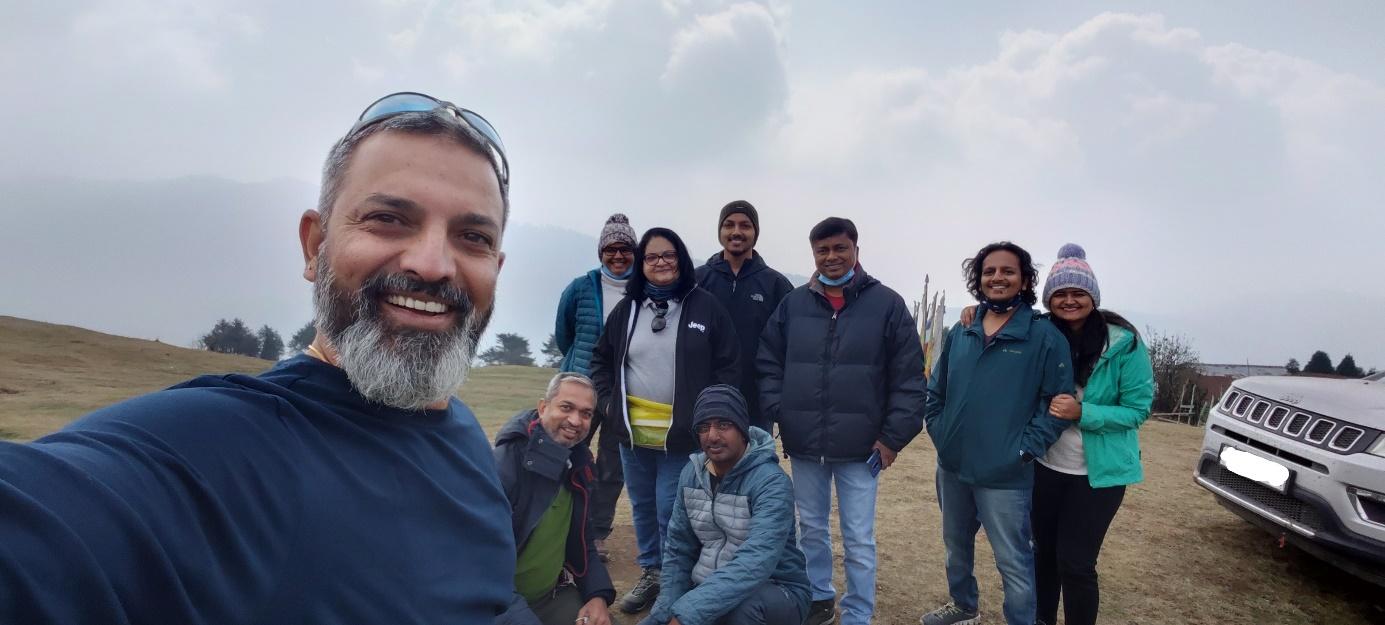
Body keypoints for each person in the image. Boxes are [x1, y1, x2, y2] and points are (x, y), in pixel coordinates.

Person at [0, 91, 516, 623]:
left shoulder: (463, 436)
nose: (433, 265)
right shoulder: (214, 446)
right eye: (388, 218)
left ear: (495, 267)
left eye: (472, 237)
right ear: (315, 247)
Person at [758, 216, 927, 625]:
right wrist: (782, 411)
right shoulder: (794, 304)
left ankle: (857, 613)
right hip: (805, 444)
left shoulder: (887, 304)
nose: (831, 257)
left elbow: (909, 379)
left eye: (840, 248)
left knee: (858, 538)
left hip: (862, 448)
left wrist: (891, 439)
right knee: (810, 529)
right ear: (813, 254)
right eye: (822, 250)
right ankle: (819, 599)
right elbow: (768, 361)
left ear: (856, 250)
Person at [920, 241, 1074, 625]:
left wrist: (1023, 452)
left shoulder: (1043, 337)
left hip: (1006, 473)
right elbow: (936, 389)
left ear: (1024, 280)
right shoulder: (963, 329)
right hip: (953, 466)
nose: (997, 277)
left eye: (1007, 271)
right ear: (979, 279)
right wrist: (940, 432)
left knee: (1014, 560)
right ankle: (963, 606)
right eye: (989, 271)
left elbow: (1056, 405)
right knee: (956, 547)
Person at [589, 227, 741, 615]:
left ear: (681, 259)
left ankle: (678, 580)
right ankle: (653, 573)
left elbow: (728, 364)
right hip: (631, 435)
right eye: (652, 257)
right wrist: (607, 405)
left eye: (668, 255)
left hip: (682, 436)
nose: (661, 263)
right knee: (641, 507)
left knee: (670, 510)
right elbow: (601, 362)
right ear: (642, 265)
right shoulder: (627, 309)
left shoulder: (704, 306)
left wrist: (713, 417)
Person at [1028, 244, 1153, 625]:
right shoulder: (1039, 333)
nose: (1069, 301)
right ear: (1049, 299)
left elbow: (1137, 410)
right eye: (1060, 294)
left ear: (1092, 297)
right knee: (1043, 555)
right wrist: (974, 312)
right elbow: (999, 322)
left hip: (1098, 475)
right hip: (1045, 466)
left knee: (1076, 563)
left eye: (1077, 293)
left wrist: (1083, 412)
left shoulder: (1123, 344)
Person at [638, 384, 810, 625]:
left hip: (777, 589)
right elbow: (679, 550)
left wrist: (685, 614)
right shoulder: (691, 474)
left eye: (723, 425)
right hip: (709, 586)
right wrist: (663, 615)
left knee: (742, 610)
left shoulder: (771, 482)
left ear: (742, 430)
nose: (712, 436)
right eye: (703, 427)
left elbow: (755, 562)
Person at [494, 372, 618, 625]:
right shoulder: (505, 465)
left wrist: (597, 595)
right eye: (566, 407)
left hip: (550, 597)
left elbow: (583, 540)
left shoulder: (580, 465)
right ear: (543, 407)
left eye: (586, 413)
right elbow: (478, 565)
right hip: (497, 604)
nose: (575, 420)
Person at [555, 212, 640, 558]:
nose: (618, 256)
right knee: (566, 457)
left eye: (625, 249)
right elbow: (565, 336)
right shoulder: (579, 288)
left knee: (611, 466)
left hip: (624, 391)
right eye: (611, 249)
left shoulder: (643, 289)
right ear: (600, 252)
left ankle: (597, 534)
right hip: (581, 389)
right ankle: (558, 527)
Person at [695, 200, 794, 434]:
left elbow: (790, 344)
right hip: (703, 395)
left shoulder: (776, 285)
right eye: (729, 225)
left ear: (755, 232)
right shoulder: (696, 281)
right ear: (720, 231)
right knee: (705, 466)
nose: (736, 232)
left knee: (755, 465)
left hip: (757, 401)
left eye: (745, 225)